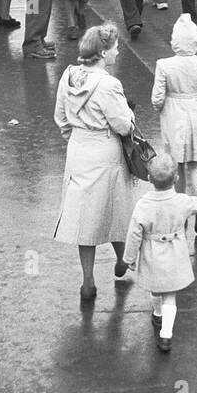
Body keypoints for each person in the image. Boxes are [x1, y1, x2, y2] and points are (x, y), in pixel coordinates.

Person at [53, 23, 137, 300]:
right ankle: (122, 259)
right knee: (115, 209)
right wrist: (130, 117)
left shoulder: (68, 76)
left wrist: (77, 137)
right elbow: (123, 126)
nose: (117, 52)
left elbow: (61, 119)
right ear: (102, 52)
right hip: (106, 151)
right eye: (114, 48)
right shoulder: (109, 84)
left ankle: (88, 280)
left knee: (83, 218)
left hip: (78, 149)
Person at [123, 154, 197, 353]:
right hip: (174, 255)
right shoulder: (181, 201)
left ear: (149, 179)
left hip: (152, 255)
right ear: (175, 179)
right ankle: (166, 334)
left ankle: (157, 314)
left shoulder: (143, 205)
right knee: (170, 296)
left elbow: (134, 234)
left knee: (155, 289)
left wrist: (129, 259)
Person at [150, 13, 197, 224]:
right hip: (196, 111)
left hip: (172, 113)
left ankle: (179, 208)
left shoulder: (164, 65)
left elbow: (157, 98)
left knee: (175, 164)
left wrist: (160, 108)